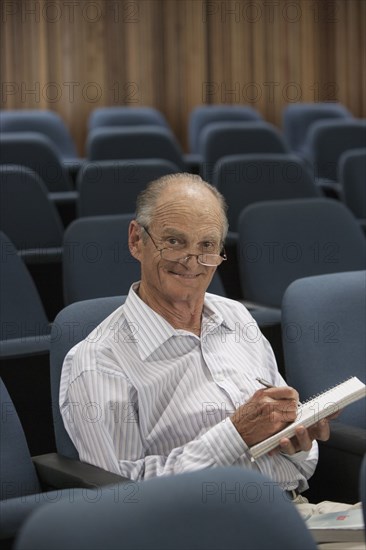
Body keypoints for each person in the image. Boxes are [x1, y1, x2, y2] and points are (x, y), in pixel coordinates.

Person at [60, 173, 362, 542]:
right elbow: (124, 498)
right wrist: (234, 435)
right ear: (137, 240)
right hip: (194, 536)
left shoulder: (236, 317)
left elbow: (301, 464)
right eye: (174, 241)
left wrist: (296, 442)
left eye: (207, 245)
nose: (192, 261)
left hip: (291, 514)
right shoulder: (96, 361)